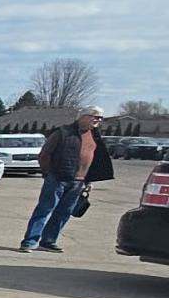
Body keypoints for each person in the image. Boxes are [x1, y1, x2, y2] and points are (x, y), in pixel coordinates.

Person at [19, 107, 114, 253]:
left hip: (78, 182)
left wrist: (89, 181)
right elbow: (44, 155)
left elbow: (94, 160)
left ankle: (48, 241)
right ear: (82, 117)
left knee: (63, 213)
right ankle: (30, 241)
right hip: (57, 179)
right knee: (44, 210)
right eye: (94, 117)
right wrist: (48, 174)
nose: (98, 120)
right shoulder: (63, 133)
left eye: (100, 118)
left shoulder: (94, 136)